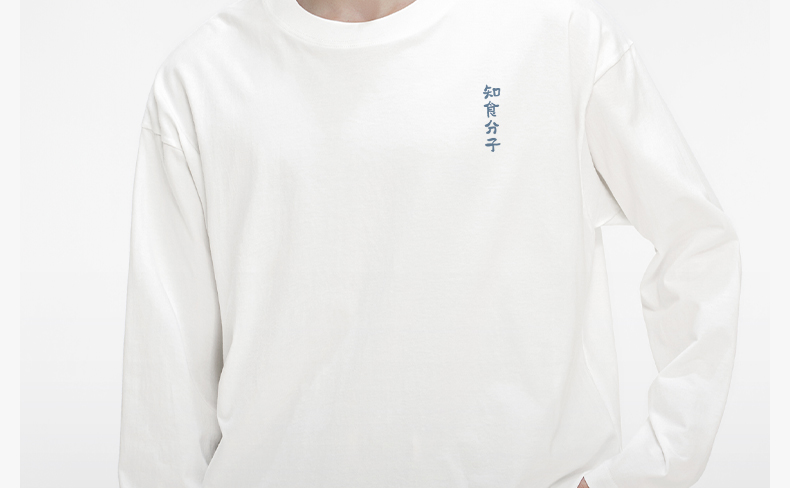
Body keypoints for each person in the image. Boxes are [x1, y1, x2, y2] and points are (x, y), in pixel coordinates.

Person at [117, 0, 742, 486]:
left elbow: (698, 244)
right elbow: (163, 394)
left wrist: (653, 466)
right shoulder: (203, 80)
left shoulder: (551, 34)